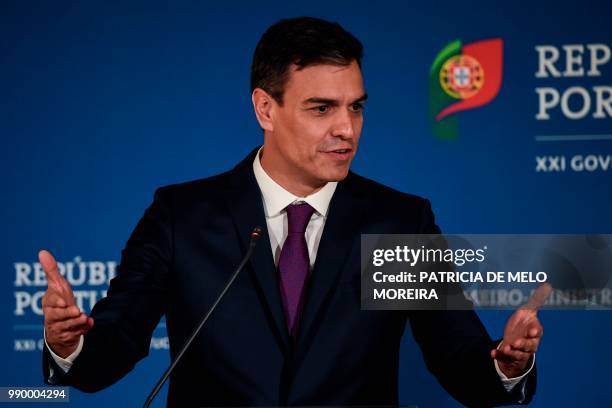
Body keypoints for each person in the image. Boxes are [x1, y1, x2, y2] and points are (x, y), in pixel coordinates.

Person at [41, 17, 548, 406]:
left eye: (357, 107)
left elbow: (458, 360)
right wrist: (69, 344)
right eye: (322, 108)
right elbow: (112, 348)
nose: (347, 129)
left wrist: (506, 365)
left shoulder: (398, 223)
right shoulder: (183, 216)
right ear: (265, 108)